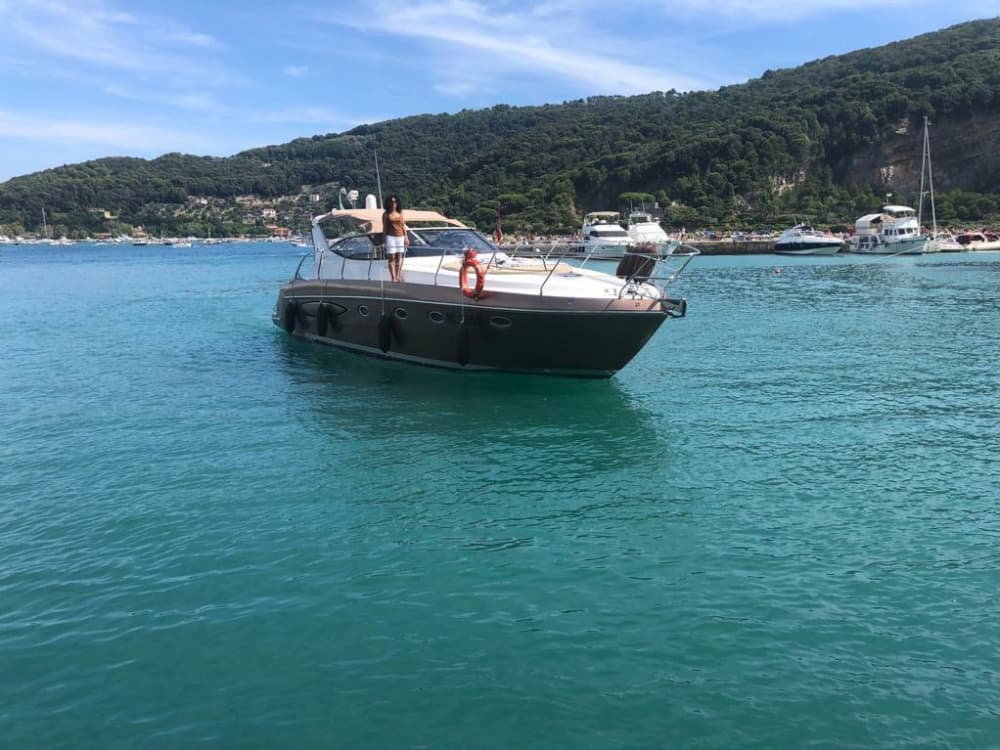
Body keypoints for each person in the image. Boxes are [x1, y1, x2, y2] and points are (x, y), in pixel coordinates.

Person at [381, 194, 408, 282]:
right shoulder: (386, 215)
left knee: (399, 258)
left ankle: (398, 276)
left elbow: (403, 226)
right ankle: (393, 278)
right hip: (390, 237)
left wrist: (406, 237)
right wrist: (384, 241)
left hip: (400, 237)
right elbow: (384, 228)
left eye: (395, 201)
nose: (393, 203)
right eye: (392, 202)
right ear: (389, 203)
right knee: (391, 257)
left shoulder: (400, 213)